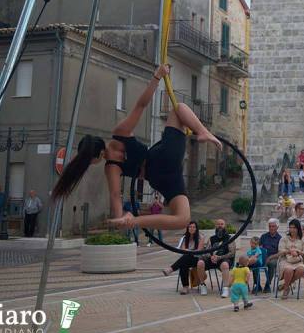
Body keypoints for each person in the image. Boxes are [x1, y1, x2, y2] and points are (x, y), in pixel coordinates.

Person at [53, 64, 221, 232]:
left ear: (95, 156)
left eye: (89, 162)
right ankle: (203, 132)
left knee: (183, 220)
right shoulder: (120, 133)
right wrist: (157, 76)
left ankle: (133, 221)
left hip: (158, 177)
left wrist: (120, 219)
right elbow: (141, 105)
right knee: (179, 109)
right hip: (162, 157)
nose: (91, 164)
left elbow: (115, 196)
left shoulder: (111, 167)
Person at [162, 221, 206, 294]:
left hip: (197, 259)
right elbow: (183, 250)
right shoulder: (185, 237)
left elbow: (198, 251)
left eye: (193, 227)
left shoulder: (201, 237)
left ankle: (171, 269)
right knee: (184, 263)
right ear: (187, 228)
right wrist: (188, 251)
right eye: (190, 227)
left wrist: (188, 250)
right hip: (187, 259)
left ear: (196, 229)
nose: (191, 228)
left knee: (186, 257)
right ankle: (185, 287)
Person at [203, 219, 236, 297]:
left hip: (224, 259)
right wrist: (211, 257)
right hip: (212, 259)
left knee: (225, 265)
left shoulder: (229, 238)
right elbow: (207, 251)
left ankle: (225, 289)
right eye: (218, 224)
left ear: (225, 226)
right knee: (200, 263)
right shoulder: (211, 239)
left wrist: (219, 257)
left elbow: (232, 253)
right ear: (215, 226)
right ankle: (202, 285)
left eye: (222, 224)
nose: (220, 226)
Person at [278, 219, 304, 299]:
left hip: (298, 260)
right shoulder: (284, 239)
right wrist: (290, 251)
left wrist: (298, 252)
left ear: (298, 228)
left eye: (294, 228)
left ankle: (286, 285)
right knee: (288, 270)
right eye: (290, 227)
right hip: (286, 260)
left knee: (301, 270)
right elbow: (281, 251)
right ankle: (286, 289)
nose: (292, 230)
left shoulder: (303, 240)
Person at [259, 219, 281, 293]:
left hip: (274, 257)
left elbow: (279, 253)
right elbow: (259, 248)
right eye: (270, 226)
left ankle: (267, 284)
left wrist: (270, 257)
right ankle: (257, 285)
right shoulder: (263, 236)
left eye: (273, 226)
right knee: (255, 263)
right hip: (263, 256)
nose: (271, 228)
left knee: (271, 264)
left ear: (277, 227)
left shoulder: (280, 238)